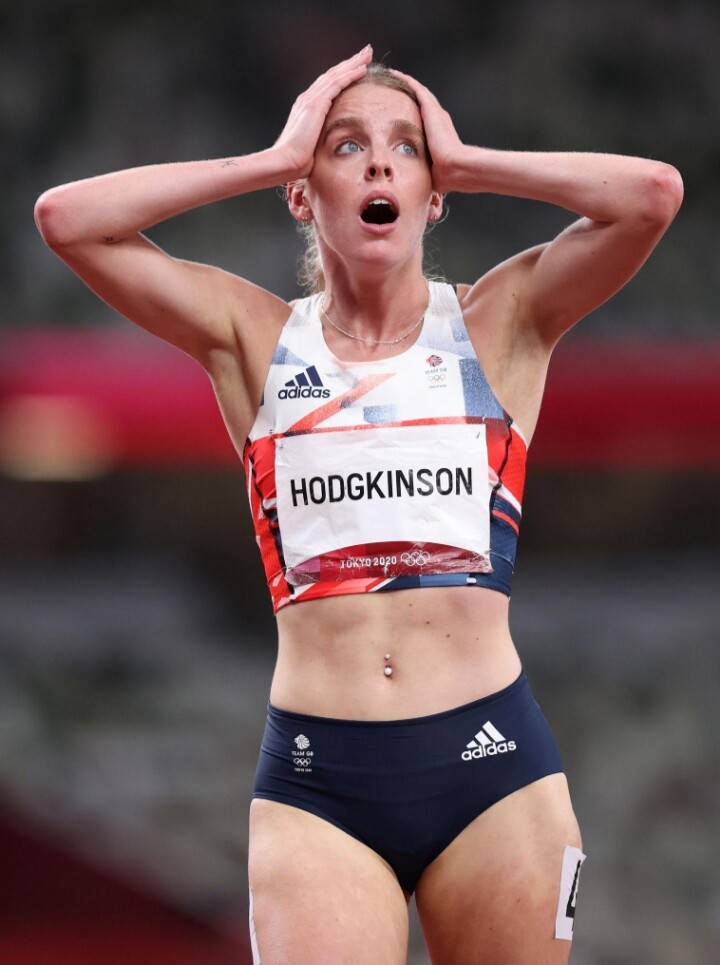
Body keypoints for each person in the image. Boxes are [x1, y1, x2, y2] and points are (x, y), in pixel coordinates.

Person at [35, 44, 682, 965]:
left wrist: (470, 160)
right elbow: (67, 220)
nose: (379, 164)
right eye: (346, 146)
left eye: (404, 148)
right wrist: (270, 157)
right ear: (304, 195)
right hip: (319, 783)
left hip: (495, 769)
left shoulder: (500, 322)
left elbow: (652, 195)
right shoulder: (253, 338)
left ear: (433, 193)